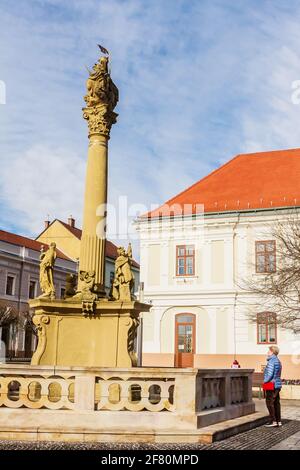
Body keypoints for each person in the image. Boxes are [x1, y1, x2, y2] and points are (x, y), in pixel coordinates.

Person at [264, 345, 282, 427]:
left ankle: (273, 421)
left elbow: (270, 374)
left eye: (269, 351)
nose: (267, 352)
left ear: (272, 352)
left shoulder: (271, 361)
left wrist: (265, 381)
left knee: (269, 403)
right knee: (276, 403)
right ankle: (278, 421)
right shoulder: (278, 361)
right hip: (277, 384)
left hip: (271, 385)